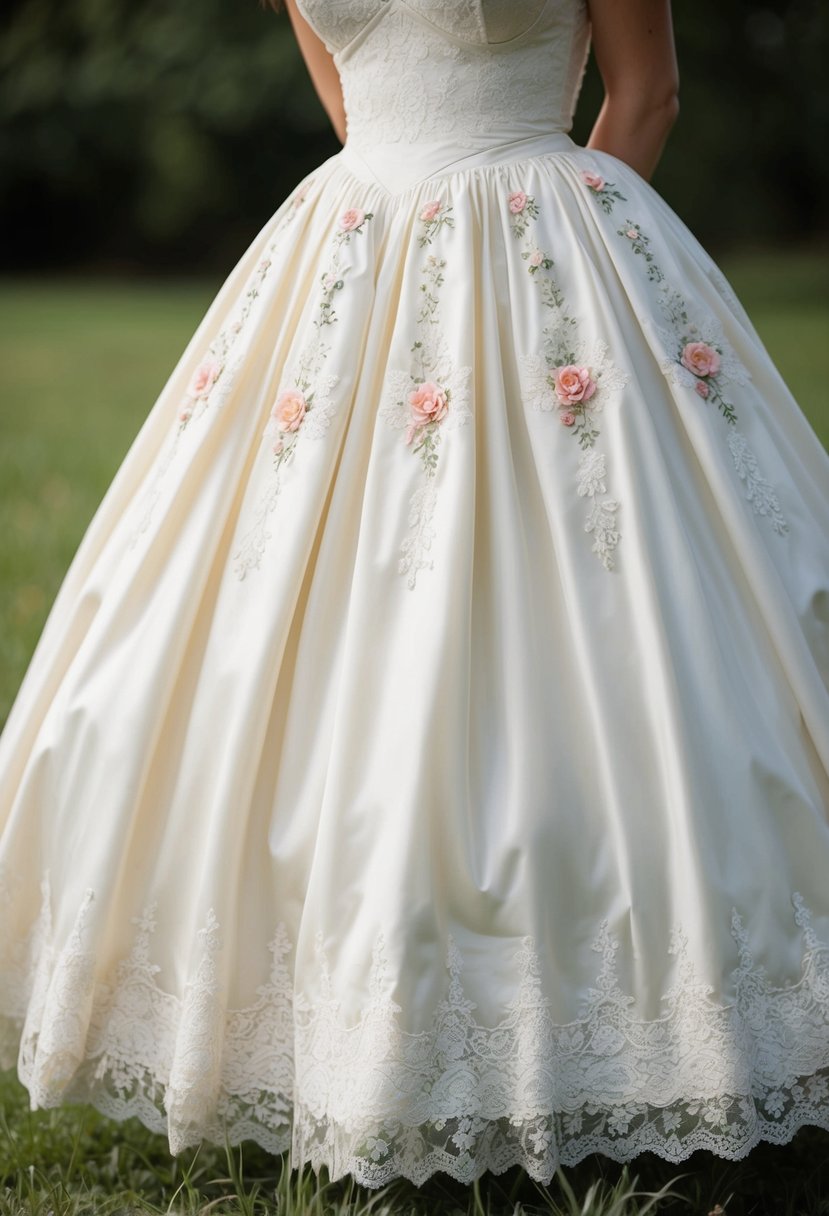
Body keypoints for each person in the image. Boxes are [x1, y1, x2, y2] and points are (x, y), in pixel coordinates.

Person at [1, 0, 828, 1192]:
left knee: (623, 620)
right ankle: (340, 1036)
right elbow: (352, 102)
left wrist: (557, 270)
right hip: (354, 249)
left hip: (554, 245)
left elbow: (645, 94)